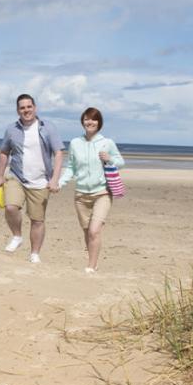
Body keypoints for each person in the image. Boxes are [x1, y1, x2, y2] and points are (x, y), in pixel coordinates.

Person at [0, 93, 64, 263]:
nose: (26, 110)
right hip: (16, 177)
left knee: (37, 220)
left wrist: (55, 179)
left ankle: (34, 254)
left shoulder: (48, 127)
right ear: (18, 110)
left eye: (29, 106)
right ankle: (17, 236)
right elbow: (4, 152)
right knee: (10, 207)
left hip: (41, 182)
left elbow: (58, 153)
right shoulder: (12, 129)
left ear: (35, 108)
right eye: (22, 108)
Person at [57, 107, 124, 273]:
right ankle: (93, 261)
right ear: (82, 121)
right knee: (87, 232)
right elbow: (71, 167)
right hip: (80, 195)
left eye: (94, 119)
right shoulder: (75, 143)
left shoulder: (107, 143)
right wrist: (60, 183)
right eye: (87, 119)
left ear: (99, 123)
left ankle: (91, 266)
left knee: (94, 230)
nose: (90, 122)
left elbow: (120, 161)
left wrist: (110, 159)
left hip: (102, 193)